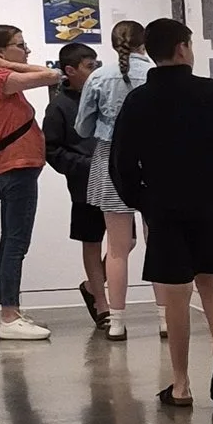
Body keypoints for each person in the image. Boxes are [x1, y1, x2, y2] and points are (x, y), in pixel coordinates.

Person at [106, 15, 213, 409]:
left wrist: (142, 200)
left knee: (176, 295)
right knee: (211, 281)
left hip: (165, 207)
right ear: (182, 48)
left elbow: (121, 162)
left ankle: (180, 385)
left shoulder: (139, 101)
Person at [0, 24, 68, 343]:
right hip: (16, 168)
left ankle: (11, 310)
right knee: (15, 243)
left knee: (10, 242)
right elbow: (53, 75)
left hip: (10, 169)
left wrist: (10, 62)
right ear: (1, 52)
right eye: (20, 45)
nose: (26, 51)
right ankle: (9, 316)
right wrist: (11, 66)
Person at [75, 19, 151, 340]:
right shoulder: (152, 74)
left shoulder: (98, 76)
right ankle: (165, 320)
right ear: (143, 43)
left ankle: (116, 321)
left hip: (110, 160)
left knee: (117, 250)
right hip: (152, 162)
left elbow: (82, 127)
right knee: (157, 242)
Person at [43, 39, 107, 326]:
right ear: (70, 70)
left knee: (126, 242)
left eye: (96, 66)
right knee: (92, 241)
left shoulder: (105, 96)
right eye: (88, 66)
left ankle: (93, 286)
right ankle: (103, 306)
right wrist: (84, 165)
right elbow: (52, 150)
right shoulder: (58, 106)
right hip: (83, 185)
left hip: (114, 180)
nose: (94, 72)